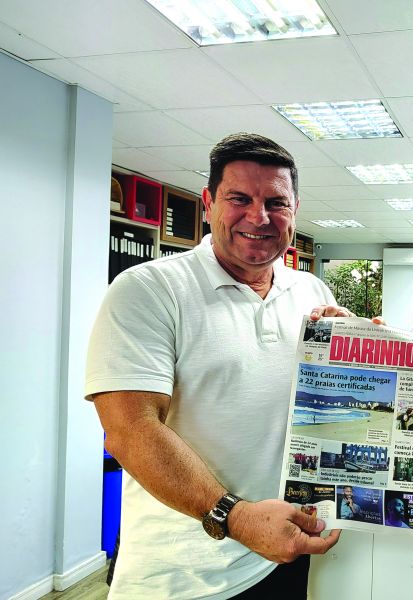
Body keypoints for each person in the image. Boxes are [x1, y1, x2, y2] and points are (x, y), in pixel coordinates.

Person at [85, 133, 353, 600]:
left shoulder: (312, 292)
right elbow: (129, 431)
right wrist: (236, 517)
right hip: (183, 578)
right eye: (239, 199)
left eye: (276, 202)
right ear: (209, 202)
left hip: (290, 555)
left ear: (295, 209)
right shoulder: (149, 290)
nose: (259, 216)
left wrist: (360, 352)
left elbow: (323, 409)